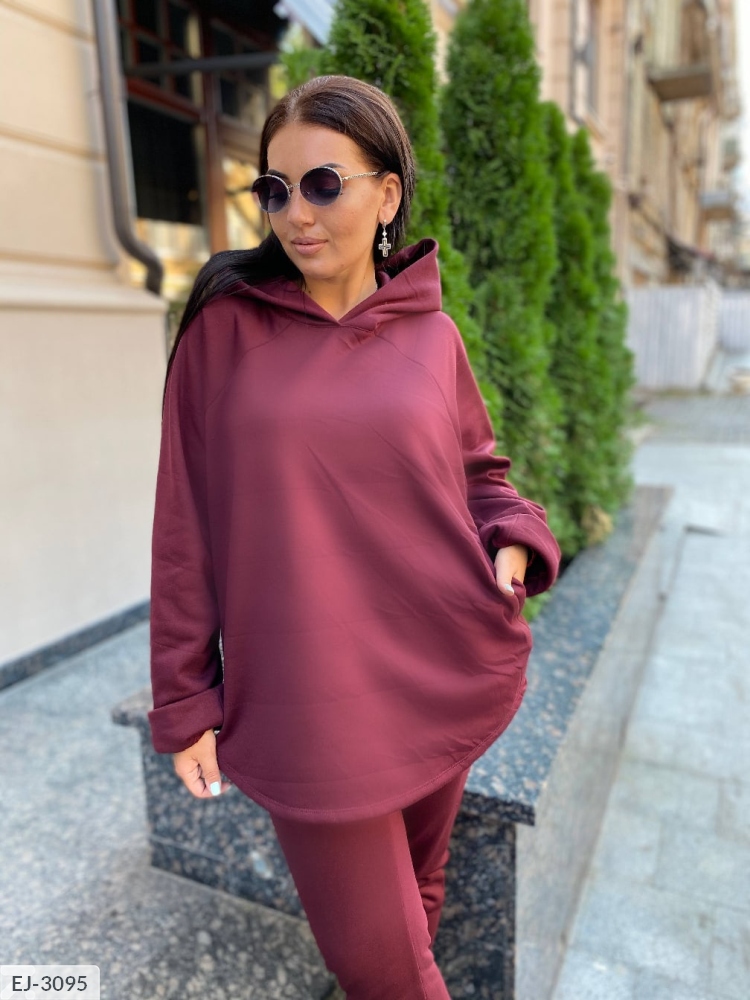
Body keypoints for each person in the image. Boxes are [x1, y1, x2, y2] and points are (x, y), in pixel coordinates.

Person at [148, 74, 562, 1000]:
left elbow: (481, 476)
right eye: (274, 188)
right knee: (380, 966)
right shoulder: (222, 334)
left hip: (434, 658)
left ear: (386, 194)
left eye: (323, 184)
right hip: (308, 702)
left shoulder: (434, 337)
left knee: (419, 895)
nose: (296, 213)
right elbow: (184, 526)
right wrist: (185, 699)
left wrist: (511, 544)